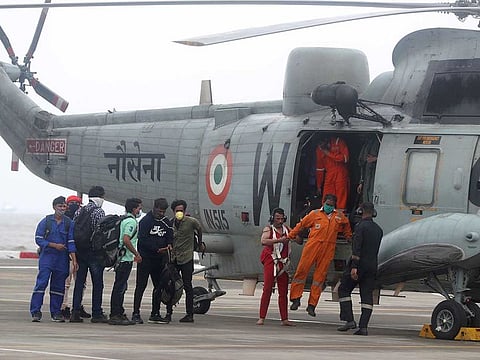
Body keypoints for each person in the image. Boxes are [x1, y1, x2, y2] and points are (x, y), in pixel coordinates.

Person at [288, 194, 352, 317]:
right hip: (312, 246)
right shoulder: (314, 214)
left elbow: (346, 224)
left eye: (331, 205)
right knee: (301, 271)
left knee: (320, 277)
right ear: (323, 203)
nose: (329, 206)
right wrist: (291, 235)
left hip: (328, 248)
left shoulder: (339, 216)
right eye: (327, 204)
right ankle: (295, 299)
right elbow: (301, 225)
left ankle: (312, 305)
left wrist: (348, 236)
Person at [337, 202, 383, 336]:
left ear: (360, 211)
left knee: (344, 289)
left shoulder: (360, 227)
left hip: (359, 265)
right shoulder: (378, 229)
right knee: (367, 296)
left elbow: (357, 248)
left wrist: (354, 267)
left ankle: (349, 320)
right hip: (372, 266)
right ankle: (364, 327)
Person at [30, 196, 77, 322]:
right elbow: (38, 239)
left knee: (58, 286)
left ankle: (56, 313)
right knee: (42, 283)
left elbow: (71, 241)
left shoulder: (69, 223)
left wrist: (74, 260)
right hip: (47, 257)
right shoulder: (46, 221)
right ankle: (35, 311)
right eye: (59, 206)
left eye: (64, 206)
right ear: (54, 207)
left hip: (62, 259)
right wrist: (53, 245)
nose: (62, 208)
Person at [132, 198, 174, 324]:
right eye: (159, 211)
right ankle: (136, 312)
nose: (161, 214)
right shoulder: (145, 221)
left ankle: (155, 312)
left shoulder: (166, 222)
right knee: (141, 286)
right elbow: (142, 240)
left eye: (163, 212)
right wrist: (156, 249)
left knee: (159, 286)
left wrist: (169, 245)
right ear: (154, 208)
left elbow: (170, 236)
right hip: (146, 258)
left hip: (160, 260)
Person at [257, 208, 301, 326]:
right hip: (271, 260)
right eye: (278, 218)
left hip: (283, 262)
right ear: (273, 218)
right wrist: (280, 240)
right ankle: (262, 317)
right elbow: (263, 241)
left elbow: (299, 240)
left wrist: (293, 235)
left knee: (283, 292)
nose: (280, 221)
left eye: (282, 219)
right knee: (267, 289)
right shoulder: (268, 229)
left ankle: (284, 319)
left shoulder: (287, 229)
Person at [71, 186, 108, 323]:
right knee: (98, 283)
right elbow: (100, 233)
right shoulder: (99, 212)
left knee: (80, 283)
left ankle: (75, 311)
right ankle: (97, 313)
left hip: (80, 251)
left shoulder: (80, 210)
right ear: (100, 197)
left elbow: (73, 228)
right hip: (93, 253)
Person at [109, 197, 143, 325]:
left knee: (120, 286)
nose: (140, 210)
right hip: (125, 258)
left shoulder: (123, 219)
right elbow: (126, 239)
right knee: (120, 287)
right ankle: (116, 314)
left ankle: (117, 311)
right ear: (134, 209)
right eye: (139, 208)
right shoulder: (131, 222)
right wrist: (136, 254)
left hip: (120, 258)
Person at [170, 199, 204, 323]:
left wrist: (199, 244)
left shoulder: (191, 222)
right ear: (173, 211)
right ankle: (169, 311)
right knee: (171, 284)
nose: (180, 213)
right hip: (174, 257)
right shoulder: (171, 223)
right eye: (177, 211)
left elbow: (199, 229)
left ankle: (189, 314)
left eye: (182, 211)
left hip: (187, 258)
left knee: (188, 286)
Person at [61, 195, 83, 319]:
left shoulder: (80, 217)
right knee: (66, 283)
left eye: (76, 202)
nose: (74, 204)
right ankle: (64, 306)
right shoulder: (66, 220)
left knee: (81, 283)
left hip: (79, 254)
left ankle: (78, 305)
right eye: (72, 202)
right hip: (68, 254)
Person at [315, 137, 349, 212]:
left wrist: (328, 153)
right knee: (326, 197)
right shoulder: (319, 149)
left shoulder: (339, 142)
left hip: (341, 173)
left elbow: (345, 158)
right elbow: (320, 169)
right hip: (329, 175)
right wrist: (319, 186)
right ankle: (325, 215)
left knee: (341, 197)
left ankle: (340, 216)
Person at [357, 137, 380, 203]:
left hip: (376, 177)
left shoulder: (378, 141)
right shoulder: (367, 144)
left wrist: (377, 158)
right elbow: (362, 165)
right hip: (367, 178)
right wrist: (361, 182)